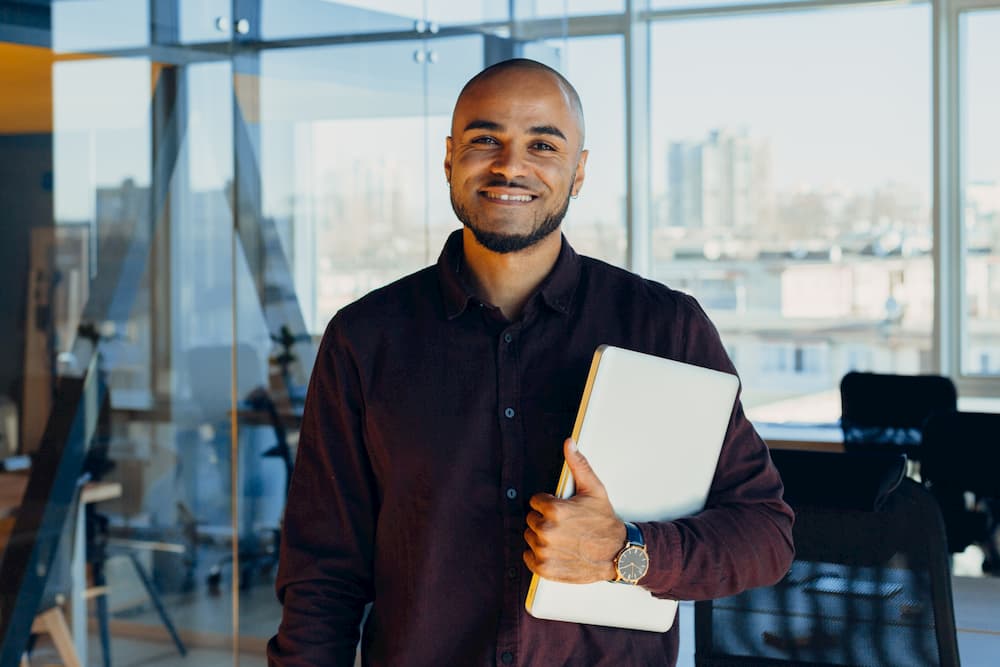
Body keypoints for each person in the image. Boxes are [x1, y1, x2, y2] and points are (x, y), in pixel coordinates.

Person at [267, 58, 794, 667]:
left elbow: (765, 535)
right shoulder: (365, 338)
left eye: (542, 144)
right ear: (448, 158)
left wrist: (628, 552)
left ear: (579, 171)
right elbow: (322, 575)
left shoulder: (664, 326)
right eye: (484, 139)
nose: (510, 165)